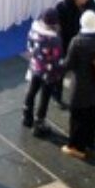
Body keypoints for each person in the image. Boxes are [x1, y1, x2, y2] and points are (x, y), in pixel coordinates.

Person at [61, 10, 95, 160]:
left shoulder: (77, 41)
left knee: (77, 119)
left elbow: (68, 64)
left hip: (80, 87)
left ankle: (76, 147)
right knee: (92, 117)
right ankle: (89, 142)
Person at [23, 8, 64, 137]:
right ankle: (39, 123)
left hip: (35, 66)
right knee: (45, 97)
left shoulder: (34, 30)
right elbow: (57, 57)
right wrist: (59, 71)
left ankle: (27, 116)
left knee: (31, 90)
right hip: (49, 72)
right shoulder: (54, 39)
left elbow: (29, 46)